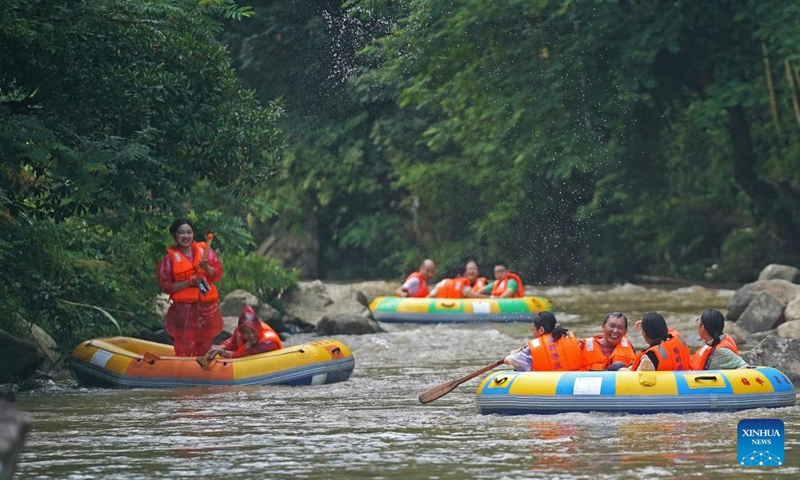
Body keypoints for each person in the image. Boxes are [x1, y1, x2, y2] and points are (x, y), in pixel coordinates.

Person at [156, 218, 224, 357]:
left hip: (206, 309)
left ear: (193, 234)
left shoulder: (205, 251)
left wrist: (207, 267)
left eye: (189, 232)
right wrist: (189, 282)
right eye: (181, 233)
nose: (185, 236)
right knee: (184, 345)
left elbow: (216, 274)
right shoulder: (169, 259)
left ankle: (204, 370)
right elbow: (167, 285)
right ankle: (182, 371)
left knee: (205, 344)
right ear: (175, 235)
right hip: (183, 310)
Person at [199, 306, 282, 365]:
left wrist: (223, 353)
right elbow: (232, 343)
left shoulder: (268, 342)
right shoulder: (239, 333)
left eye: (253, 331)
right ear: (242, 332)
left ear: (258, 328)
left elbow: (244, 355)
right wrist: (222, 347)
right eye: (246, 332)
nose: (251, 336)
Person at [504, 312, 583, 371]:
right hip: (573, 379)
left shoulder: (532, 348)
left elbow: (509, 360)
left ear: (541, 330)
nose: (532, 333)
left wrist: (513, 353)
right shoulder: (568, 337)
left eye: (533, 330)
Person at [622, 312, 691, 371]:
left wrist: (621, 370)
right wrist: (646, 324)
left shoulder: (649, 358)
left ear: (645, 334)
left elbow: (637, 379)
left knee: (618, 367)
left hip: (666, 385)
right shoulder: (677, 338)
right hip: (682, 381)